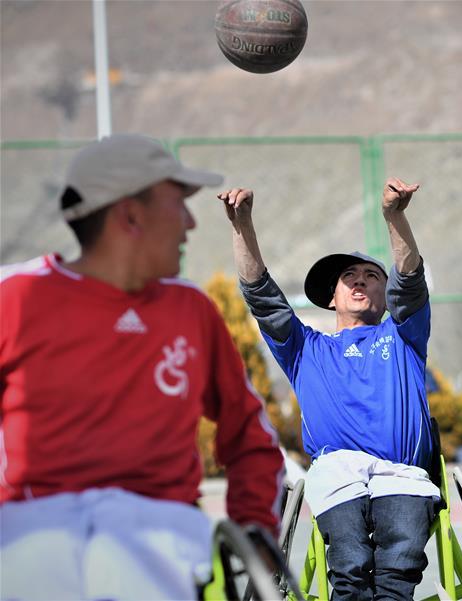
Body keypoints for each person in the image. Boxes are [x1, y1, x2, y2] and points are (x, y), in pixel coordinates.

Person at [0, 134, 285, 600]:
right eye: (178, 204)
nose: (191, 223)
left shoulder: (190, 310)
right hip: (34, 539)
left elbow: (250, 434)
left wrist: (256, 525)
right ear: (130, 216)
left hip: (159, 540)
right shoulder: (14, 299)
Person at [219, 177, 437, 600]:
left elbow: (410, 278)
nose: (359, 281)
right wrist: (241, 226)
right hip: (337, 474)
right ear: (332, 297)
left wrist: (393, 217)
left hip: (402, 475)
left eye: (371, 276)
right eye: (348, 277)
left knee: (399, 570)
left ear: (385, 293)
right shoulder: (306, 349)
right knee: (350, 568)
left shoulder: (403, 334)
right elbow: (261, 296)